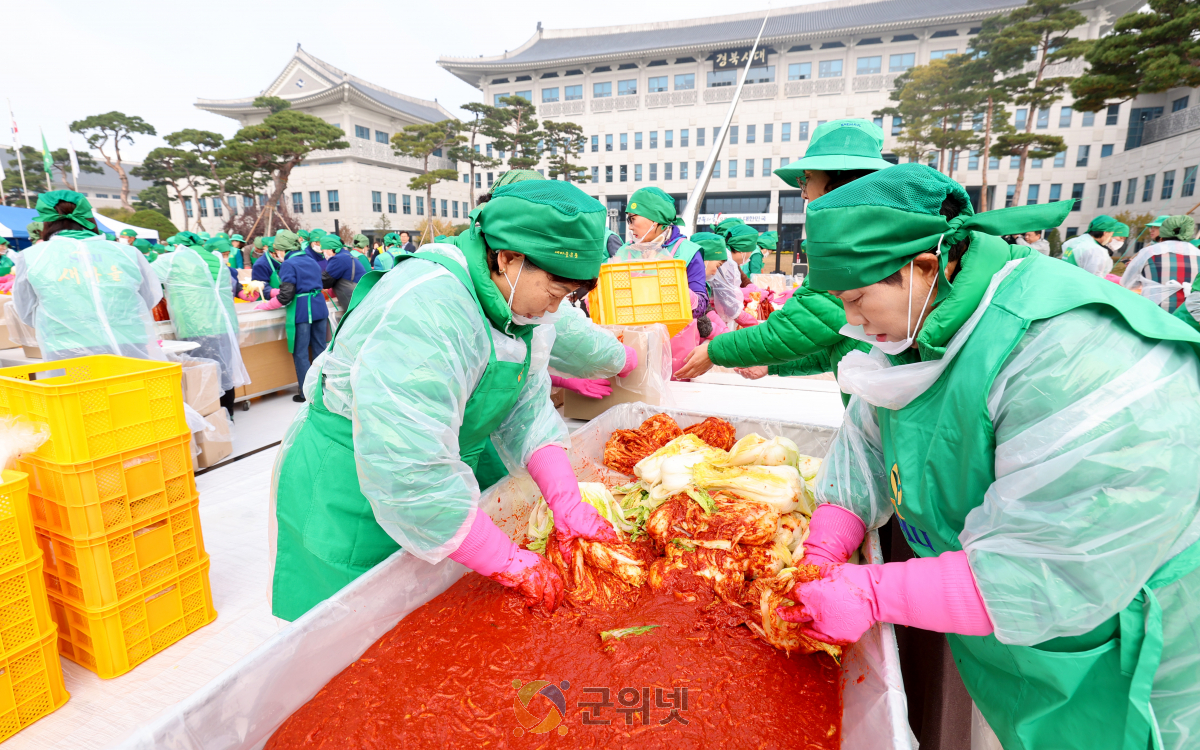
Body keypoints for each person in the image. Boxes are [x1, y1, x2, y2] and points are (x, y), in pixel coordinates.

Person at [776, 163, 1200, 750]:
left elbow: (1050, 568)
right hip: (1012, 636)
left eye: (856, 299)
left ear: (922, 266)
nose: (851, 321)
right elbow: (870, 440)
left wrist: (872, 592)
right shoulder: (920, 323)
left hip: (1123, 645)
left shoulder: (1069, 352)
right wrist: (824, 545)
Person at [270, 179, 618, 621]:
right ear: (509, 258)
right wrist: (509, 562)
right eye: (553, 295)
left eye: (565, 299)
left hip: (428, 477)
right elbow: (409, 468)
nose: (553, 310)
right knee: (359, 629)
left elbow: (526, 409)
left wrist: (565, 499)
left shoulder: (515, 308)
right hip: (353, 483)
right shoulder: (431, 308)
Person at [675, 119, 894, 383]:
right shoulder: (865, 235)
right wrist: (771, 366)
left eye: (807, 180)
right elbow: (838, 343)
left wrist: (715, 350)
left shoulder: (855, 246)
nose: (803, 195)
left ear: (841, 182)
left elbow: (799, 327)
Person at [13, 190, 164, 361]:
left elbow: (25, 308)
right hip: (130, 342)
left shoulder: (32, 256)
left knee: (80, 388)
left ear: (46, 220)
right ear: (88, 215)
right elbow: (149, 297)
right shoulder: (126, 253)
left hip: (67, 347)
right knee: (131, 386)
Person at [151, 237, 249, 417]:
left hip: (196, 326)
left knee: (203, 375)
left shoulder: (173, 260)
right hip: (225, 325)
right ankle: (227, 416)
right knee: (224, 372)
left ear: (179, 246)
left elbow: (147, 283)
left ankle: (211, 418)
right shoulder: (216, 260)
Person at [613, 186, 708, 318]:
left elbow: (701, 307)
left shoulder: (688, 252)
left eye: (632, 219)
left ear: (655, 219)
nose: (629, 226)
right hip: (631, 335)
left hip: (674, 336)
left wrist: (674, 284)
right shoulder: (625, 251)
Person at [259, 230, 328, 402]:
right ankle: (322, 389)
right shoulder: (311, 259)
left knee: (301, 352)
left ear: (283, 249)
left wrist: (267, 304)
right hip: (320, 308)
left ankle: (306, 393)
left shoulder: (289, 264)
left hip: (303, 311)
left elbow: (286, 295)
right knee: (320, 350)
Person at [1120, 215, 1200, 313]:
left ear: (1163, 232)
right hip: (1188, 316)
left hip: (1153, 313)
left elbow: (1128, 283)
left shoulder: (1149, 252)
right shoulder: (1198, 253)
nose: (1151, 230)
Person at [691, 231, 742, 327]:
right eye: (717, 266)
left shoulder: (701, 283)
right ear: (705, 259)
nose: (715, 273)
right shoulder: (689, 282)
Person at [320, 234, 368, 313]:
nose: (323, 254)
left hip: (354, 301)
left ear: (332, 249)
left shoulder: (338, 259)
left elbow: (325, 281)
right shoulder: (346, 255)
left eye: (324, 251)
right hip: (362, 297)